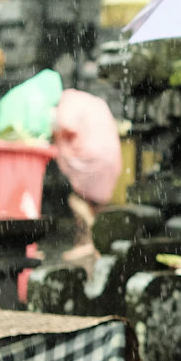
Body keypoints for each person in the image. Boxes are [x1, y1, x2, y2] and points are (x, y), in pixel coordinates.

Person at [51, 89, 122, 262]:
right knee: (96, 204)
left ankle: (91, 238)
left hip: (91, 158)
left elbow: (66, 124)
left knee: (76, 200)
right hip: (112, 157)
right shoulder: (94, 101)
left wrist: (55, 134)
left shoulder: (67, 101)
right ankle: (94, 241)